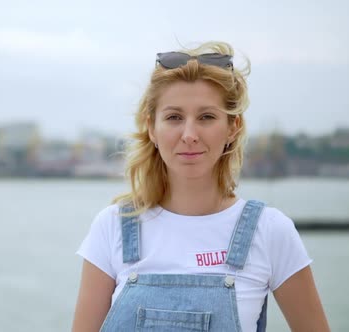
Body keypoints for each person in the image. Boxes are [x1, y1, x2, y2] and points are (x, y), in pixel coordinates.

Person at [72, 41, 329, 332]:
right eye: (174, 117)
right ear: (152, 128)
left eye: (206, 117)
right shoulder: (113, 227)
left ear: (234, 127)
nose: (190, 134)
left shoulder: (270, 231)